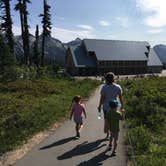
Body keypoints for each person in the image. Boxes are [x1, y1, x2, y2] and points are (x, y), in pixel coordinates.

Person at [98, 72, 124, 138]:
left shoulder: (104, 87)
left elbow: (102, 98)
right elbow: (120, 97)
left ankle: (107, 133)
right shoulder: (118, 87)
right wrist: (122, 106)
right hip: (115, 106)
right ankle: (113, 132)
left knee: (107, 119)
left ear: (106, 79)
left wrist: (99, 105)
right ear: (113, 79)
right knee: (114, 119)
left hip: (106, 107)